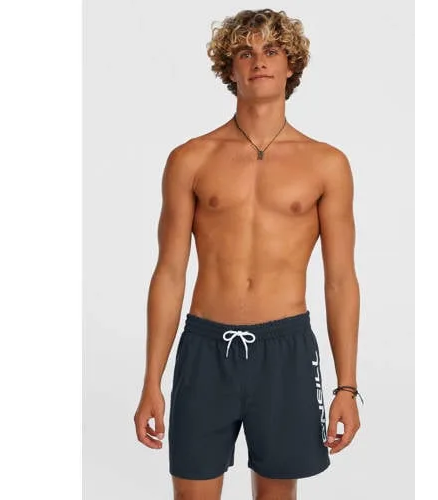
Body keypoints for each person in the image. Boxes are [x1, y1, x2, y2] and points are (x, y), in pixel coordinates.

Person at [134, 8, 362, 500]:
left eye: (271, 50)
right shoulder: (190, 158)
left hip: (286, 351)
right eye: (245, 52)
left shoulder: (326, 164)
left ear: (290, 65)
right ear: (229, 68)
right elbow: (169, 272)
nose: (258, 61)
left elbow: (340, 279)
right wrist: (152, 379)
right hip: (205, 350)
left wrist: (347, 386)